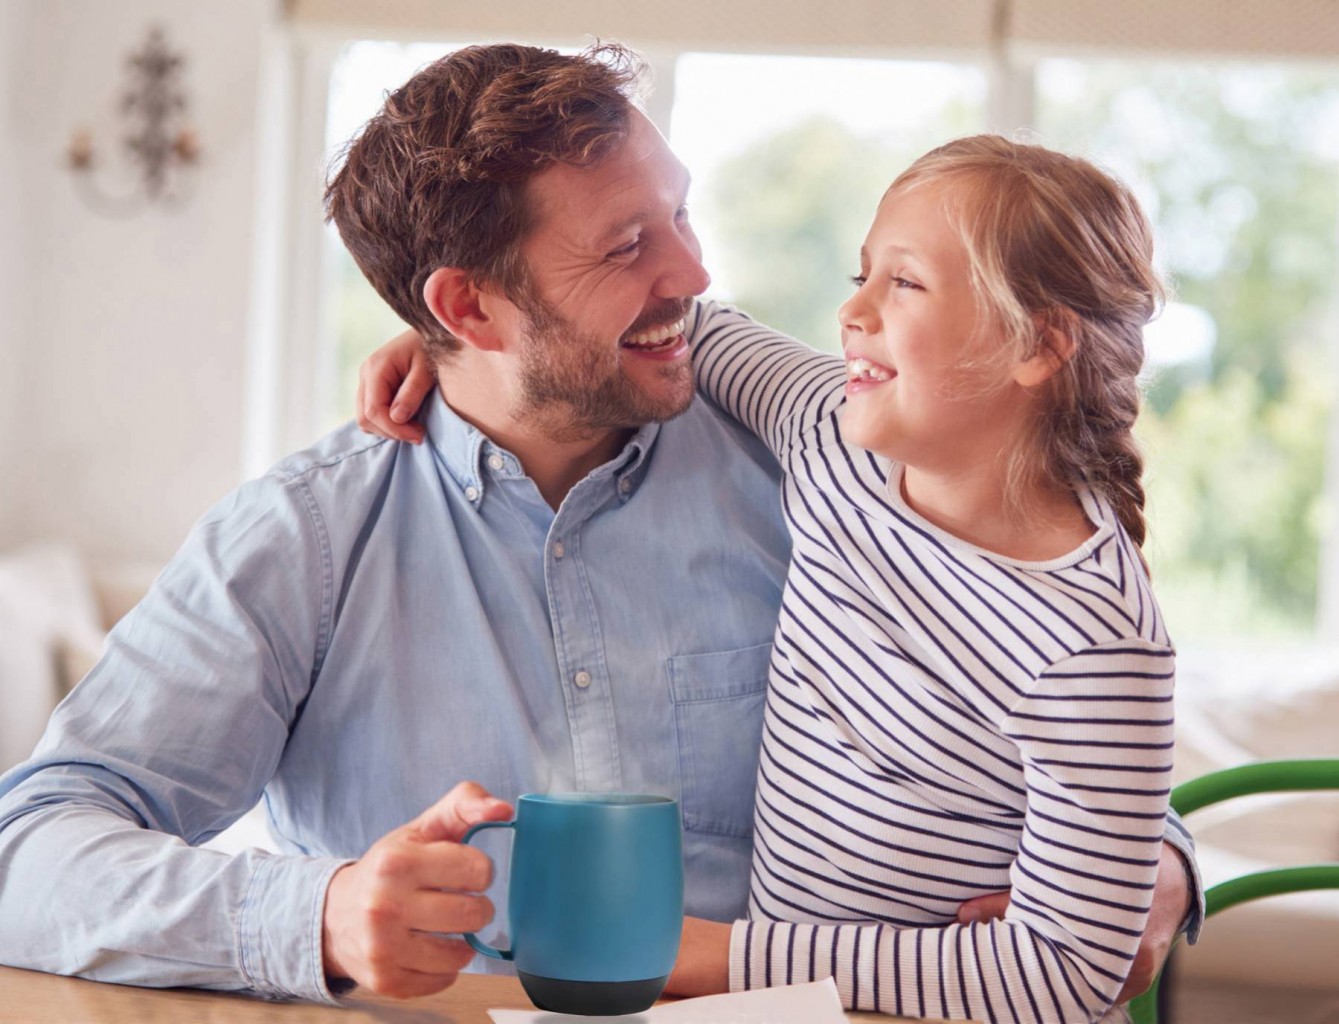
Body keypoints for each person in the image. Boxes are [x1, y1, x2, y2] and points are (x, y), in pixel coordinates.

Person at [0, 43, 1196, 1008]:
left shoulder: (829, 466)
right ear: (466, 306)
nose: (695, 270)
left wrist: (1156, 876)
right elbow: (30, 854)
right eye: (629, 246)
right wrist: (311, 916)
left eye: (677, 213)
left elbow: (1073, 727)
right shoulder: (307, 539)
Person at [361, 135, 1185, 1022]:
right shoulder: (825, 432)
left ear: (1036, 344)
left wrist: (710, 954)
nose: (851, 311)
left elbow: (1064, 972)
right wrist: (466, 334)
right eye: (858, 273)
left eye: (902, 282)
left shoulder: (1093, 645)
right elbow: (687, 325)